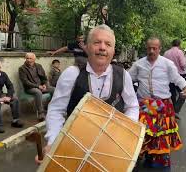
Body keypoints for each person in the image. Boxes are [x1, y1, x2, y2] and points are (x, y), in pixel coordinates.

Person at [35, 24, 139, 164]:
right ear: (87, 47)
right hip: (75, 148)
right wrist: (53, 141)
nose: (102, 47)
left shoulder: (123, 75)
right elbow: (56, 110)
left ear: (113, 51)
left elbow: (132, 106)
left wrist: (124, 133)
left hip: (111, 149)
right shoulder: (72, 74)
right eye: (97, 42)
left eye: (108, 44)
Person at [129, 37, 186, 168]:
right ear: (146, 48)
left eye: (154, 48)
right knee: (144, 133)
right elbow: (127, 78)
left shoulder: (167, 64)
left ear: (159, 49)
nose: (151, 51)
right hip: (145, 104)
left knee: (161, 135)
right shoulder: (138, 64)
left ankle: (159, 161)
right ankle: (146, 157)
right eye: (149, 48)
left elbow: (177, 78)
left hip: (163, 104)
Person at [0, 60, 24, 133]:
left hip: (0, 95)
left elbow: (10, 86)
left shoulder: (3, 75)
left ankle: (15, 121)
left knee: (15, 99)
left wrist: (9, 96)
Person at [19, 53, 55, 121]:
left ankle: (50, 108)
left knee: (53, 89)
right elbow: (25, 82)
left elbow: (44, 77)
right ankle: (41, 113)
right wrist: (38, 86)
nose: (29, 60)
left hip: (41, 86)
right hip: (30, 88)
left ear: (34, 59)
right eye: (27, 58)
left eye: (30, 58)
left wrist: (44, 84)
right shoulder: (22, 68)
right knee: (38, 92)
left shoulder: (38, 66)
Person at [164, 39, 186, 119]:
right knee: (184, 93)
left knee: (172, 93)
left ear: (172, 44)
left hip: (168, 76)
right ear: (179, 44)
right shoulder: (179, 52)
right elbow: (183, 64)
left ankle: (171, 110)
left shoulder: (166, 53)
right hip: (179, 75)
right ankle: (176, 110)